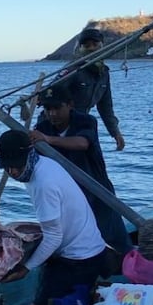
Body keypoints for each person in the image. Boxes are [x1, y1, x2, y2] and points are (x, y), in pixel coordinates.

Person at [0, 129, 106, 305]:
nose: (14, 171)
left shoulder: (43, 183)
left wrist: (26, 269)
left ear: (29, 153)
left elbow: (54, 237)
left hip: (79, 259)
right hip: (93, 248)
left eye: (16, 164)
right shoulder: (46, 164)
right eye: (7, 167)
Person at [30, 83, 132, 259]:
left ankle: (130, 269)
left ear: (70, 104)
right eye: (48, 108)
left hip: (96, 189)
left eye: (57, 108)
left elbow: (82, 143)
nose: (52, 113)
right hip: (68, 196)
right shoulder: (43, 126)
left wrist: (47, 139)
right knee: (73, 240)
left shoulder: (86, 121)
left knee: (114, 236)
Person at [62, 27, 126, 151]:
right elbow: (51, 92)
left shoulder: (104, 73)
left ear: (102, 45)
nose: (91, 48)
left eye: (95, 44)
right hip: (61, 124)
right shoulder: (72, 70)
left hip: (82, 123)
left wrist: (115, 133)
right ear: (80, 49)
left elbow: (105, 107)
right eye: (86, 46)